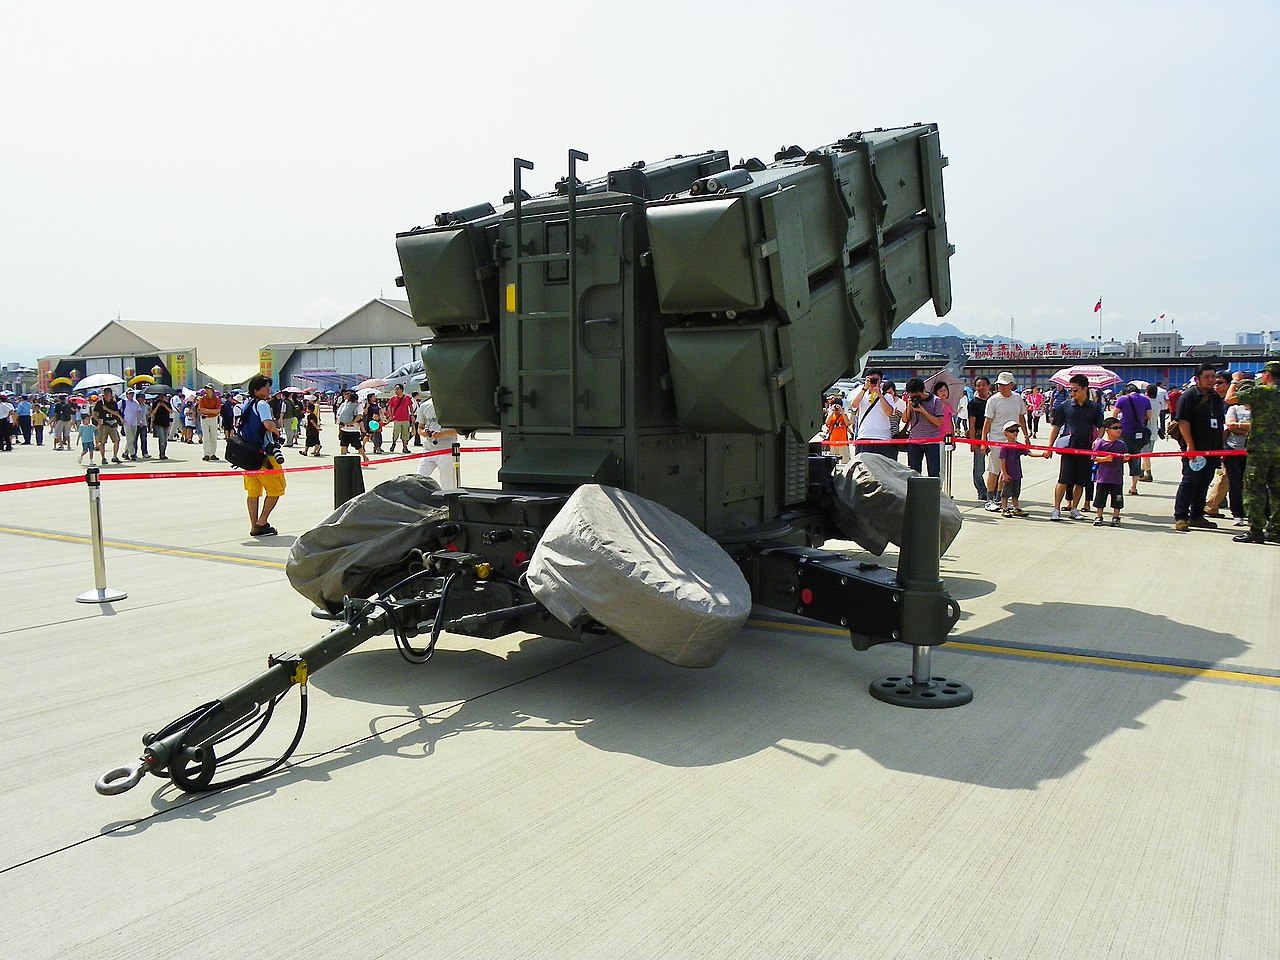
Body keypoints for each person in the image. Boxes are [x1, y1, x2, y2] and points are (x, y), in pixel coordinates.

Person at [1226, 361, 1280, 544]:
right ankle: (1277, 529)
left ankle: (1255, 530)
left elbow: (1230, 399)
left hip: (1260, 449)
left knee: (1254, 489)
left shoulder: (1262, 391)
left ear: (1268, 374)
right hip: (1278, 450)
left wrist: (1235, 381)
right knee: (1277, 490)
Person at [1171, 364, 1225, 532]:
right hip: (1195, 449)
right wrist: (1190, 446)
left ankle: (1196, 516)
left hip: (1212, 449)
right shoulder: (1189, 396)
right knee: (1190, 482)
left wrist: (1220, 448)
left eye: (1213, 377)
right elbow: (1183, 421)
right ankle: (1181, 517)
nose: (1211, 380)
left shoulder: (1215, 398)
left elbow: (1219, 423)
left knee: (1204, 482)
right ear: (1198, 378)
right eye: (1207, 376)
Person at [1044, 374, 1102, 521]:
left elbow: (1101, 426)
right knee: (1063, 479)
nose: (1072, 393)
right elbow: (1056, 426)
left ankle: (1074, 508)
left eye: (1075, 390)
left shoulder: (1094, 407)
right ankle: (1056, 509)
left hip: (1086, 449)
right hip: (1069, 448)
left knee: (1081, 481)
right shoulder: (1065, 406)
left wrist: (1098, 440)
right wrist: (1049, 446)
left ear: (1085, 389)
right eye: (1071, 390)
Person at [239, 375, 286, 537]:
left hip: (247, 456)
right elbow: (267, 424)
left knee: (253, 493)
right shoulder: (262, 404)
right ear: (256, 390)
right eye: (266, 387)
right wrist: (275, 429)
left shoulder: (247, 405)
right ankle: (262, 521)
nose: (269, 390)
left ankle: (254, 526)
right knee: (277, 488)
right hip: (265, 455)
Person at [982, 372, 1030, 512]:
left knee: (1007, 471)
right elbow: (988, 422)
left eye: (1004, 385)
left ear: (1011, 385)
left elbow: (1021, 418)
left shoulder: (1017, 399)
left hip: (1012, 441)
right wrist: (984, 441)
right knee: (994, 470)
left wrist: (1026, 435)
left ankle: (1000, 498)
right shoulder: (993, 400)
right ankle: (989, 499)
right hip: (996, 440)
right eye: (999, 385)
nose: (1001, 387)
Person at [847, 371, 903, 458]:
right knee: (863, 468)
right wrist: (864, 388)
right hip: (864, 436)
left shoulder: (887, 396)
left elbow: (889, 412)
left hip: (882, 437)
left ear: (881, 381)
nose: (873, 382)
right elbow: (854, 405)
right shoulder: (862, 395)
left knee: (882, 467)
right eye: (871, 379)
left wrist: (880, 395)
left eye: (876, 379)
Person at [1113, 384, 1152, 496]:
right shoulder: (1146, 399)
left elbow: (1114, 414)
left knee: (1119, 458)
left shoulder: (1123, 399)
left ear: (1127, 391)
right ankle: (1134, 487)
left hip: (1124, 432)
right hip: (1138, 434)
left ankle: (1117, 484)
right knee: (1135, 459)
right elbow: (1149, 415)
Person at [903, 377, 946, 477]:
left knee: (934, 473)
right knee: (913, 473)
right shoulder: (911, 401)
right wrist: (909, 406)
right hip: (914, 441)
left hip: (932, 441)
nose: (915, 398)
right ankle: (916, 493)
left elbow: (939, 422)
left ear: (922, 390)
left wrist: (923, 411)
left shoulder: (936, 401)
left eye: (917, 395)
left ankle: (933, 492)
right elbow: (905, 420)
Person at [416, 392, 459, 490]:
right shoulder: (424, 406)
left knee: (448, 484)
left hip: (446, 451)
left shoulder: (453, 406)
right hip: (428, 450)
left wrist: (441, 435)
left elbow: (459, 431)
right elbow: (420, 428)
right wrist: (424, 433)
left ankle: (449, 503)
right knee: (419, 479)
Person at [1091, 418, 1128, 526]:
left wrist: (1126, 458)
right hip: (1103, 477)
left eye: (1120, 428)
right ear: (1107, 430)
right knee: (1100, 498)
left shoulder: (1121, 444)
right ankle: (1099, 516)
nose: (1118, 430)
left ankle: (1116, 517)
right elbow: (1094, 458)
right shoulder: (1100, 443)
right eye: (1115, 428)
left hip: (1116, 478)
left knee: (1117, 498)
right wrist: (1105, 459)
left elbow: (1124, 458)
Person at [967, 376, 991, 500]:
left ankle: (994, 490)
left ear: (989, 386)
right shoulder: (973, 403)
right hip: (978, 435)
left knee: (995, 465)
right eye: (978, 385)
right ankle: (982, 490)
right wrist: (972, 442)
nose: (981, 387)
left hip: (993, 435)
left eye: (983, 385)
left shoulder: (993, 401)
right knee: (979, 467)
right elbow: (971, 423)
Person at [998, 422, 1027, 517]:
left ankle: (1016, 508)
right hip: (1008, 474)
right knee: (1005, 493)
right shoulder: (1005, 447)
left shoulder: (1018, 445)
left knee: (1016, 493)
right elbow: (1002, 461)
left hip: (1017, 473)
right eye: (1011, 431)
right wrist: (1004, 474)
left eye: (1016, 431)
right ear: (1005, 433)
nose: (1015, 433)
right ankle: (1004, 508)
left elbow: (1029, 452)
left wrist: (1043, 455)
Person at [93, 388, 125, 463]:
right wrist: (98, 421)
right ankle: (103, 458)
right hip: (104, 424)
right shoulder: (100, 403)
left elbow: (116, 413)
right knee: (102, 441)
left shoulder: (113, 403)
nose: (107, 395)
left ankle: (115, 456)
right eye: (105, 393)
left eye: (108, 393)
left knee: (116, 440)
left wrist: (107, 409)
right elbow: (94, 414)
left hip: (112, 423)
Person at [386, 384, 414, 454]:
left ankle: (405, 447)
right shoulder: (393, 398)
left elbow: (410, 407)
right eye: (395, 389)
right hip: (397, 419)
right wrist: (390, 416)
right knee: (395, 433)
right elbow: (389, 407)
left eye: (397, 389)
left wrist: (412, 415)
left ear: (401, 389)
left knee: (405, 434)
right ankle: (394, 443)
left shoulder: (407, 398)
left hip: (405, 419)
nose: (396, 390)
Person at [120, 389, 148, 460]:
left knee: (131, 439)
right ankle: (133, 454)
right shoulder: (123, 402)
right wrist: (121, 419)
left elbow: (139, 412)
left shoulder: (136, 403)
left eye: (132, 393)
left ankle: (126, 453)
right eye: (129, 393)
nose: (131, 395)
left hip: (134, 422)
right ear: (126, 394)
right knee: (130, 438)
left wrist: (140, 421)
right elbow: (117, 410)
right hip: (127, 422)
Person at [823, 396, 852, 462]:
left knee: (845, 461)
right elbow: (827, 422)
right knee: (833, 462)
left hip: (843, 443)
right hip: (833, 442)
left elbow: (848, 423)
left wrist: (842, 412)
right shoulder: (831, 415)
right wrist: (832, 412)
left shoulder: (844, 416)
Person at [336, 389, 364, 456]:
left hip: (354, 430)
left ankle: (364, 457)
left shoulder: (358, 405)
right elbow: (338, 415)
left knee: (358, 447)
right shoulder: (343, 404)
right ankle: (343, 461)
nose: (347, 395)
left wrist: (351, 423)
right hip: (344, 429)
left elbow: (359, 415)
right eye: (346, 394)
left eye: (349, 394)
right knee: (343, 446)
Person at [198, 386, 222, 461]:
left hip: (213, 418)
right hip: (205, 418)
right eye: (206, 388)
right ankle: (206, 454)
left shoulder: (217, 399)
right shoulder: (202, 399)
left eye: (208, 388)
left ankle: (213, 454)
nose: (206, 390)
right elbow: (201, 410)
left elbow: (217, 411)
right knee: (206, 436)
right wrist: (212, 411)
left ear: (212, 390)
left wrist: (207, 410)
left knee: (213, 436)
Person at [149, 392, 174, 460]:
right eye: (161, 396)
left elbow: (171, 411)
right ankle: (161, 453)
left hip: (166, 423)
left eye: (164, 396)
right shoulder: (155, 403)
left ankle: (163, 453)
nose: (163, 397)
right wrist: (158, 406)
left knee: (165, 439)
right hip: (158, 423)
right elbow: (152, 413)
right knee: (162, 438)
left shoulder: (167, 403)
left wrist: (164, 405)